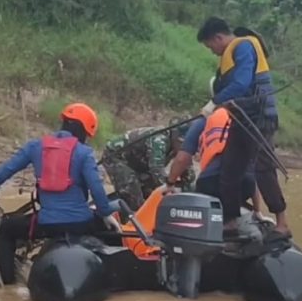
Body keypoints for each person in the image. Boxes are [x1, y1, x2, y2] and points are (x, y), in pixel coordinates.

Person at [0, 103, 120, 284]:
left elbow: (6, 170)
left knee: (6, 230)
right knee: (112, 230)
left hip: (46, 224)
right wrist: (105, 214)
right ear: (83, 131)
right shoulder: (84, 153)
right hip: (81, 224)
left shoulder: (35, 146)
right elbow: (96, 188)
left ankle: (6, 284)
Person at [196, 17, 290, 237]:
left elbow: (241, 83)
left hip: (260, 119)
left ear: (218, 38)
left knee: (263, 168)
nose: (213, 52)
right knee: (229, 169)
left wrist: (214, 103)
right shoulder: (228, 57)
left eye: (211, 47)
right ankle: (230, 221)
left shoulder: (244, 46)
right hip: (240, 120)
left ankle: (282, 224)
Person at [165, 105, 259, 214]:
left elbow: (182, 159)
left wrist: (170, 184)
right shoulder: (246, 120)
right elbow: (252, 174)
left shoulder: (205, 120)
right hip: (245, 182)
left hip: (212, 180)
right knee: (232, 213)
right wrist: (257, 210)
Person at [102, 122, 188, 210]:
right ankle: (122, 212)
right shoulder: (159, 140)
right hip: (116, 156)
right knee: (132, 193)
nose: (183, 147)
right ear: (175, 137)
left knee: (149, 189)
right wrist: (170, 191)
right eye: (181, 143)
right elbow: (156, 170)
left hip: (137, 161)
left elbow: (188, 172)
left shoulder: (180, 148)